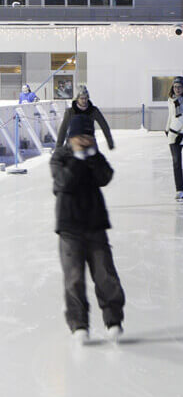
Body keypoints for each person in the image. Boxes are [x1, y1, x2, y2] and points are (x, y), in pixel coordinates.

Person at [51, 115, 125, 344]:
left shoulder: (95, 156)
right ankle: (79, 324)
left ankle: (113, 320)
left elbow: (105, 177)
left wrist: (91, 157)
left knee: (106, 275)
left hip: (95, 224)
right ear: (72, 136)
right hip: (69, 227)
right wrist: (78, 157)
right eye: (81, 136)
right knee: (74, 278)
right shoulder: (60, 157)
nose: (85, 140)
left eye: (89, 136)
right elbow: (63, 183)